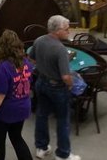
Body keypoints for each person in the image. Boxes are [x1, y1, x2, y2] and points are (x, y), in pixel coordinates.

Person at [29, 15, 80, 160]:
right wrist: (70, 85)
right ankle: (63, 154)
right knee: (63, 120)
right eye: (66, 29)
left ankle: (41, 147)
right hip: (57, 88)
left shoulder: (39, 40)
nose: (68, 31)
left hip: (41, 83)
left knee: (41, 115)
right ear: (57, 31)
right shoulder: (60, 49)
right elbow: (65, 76)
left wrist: (43, 67)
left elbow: (31, 59)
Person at [0, 29, 34, 160]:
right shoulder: (27, 64)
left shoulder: (3, 68)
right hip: (23, 106)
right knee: (17, 138)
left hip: (6, 112)